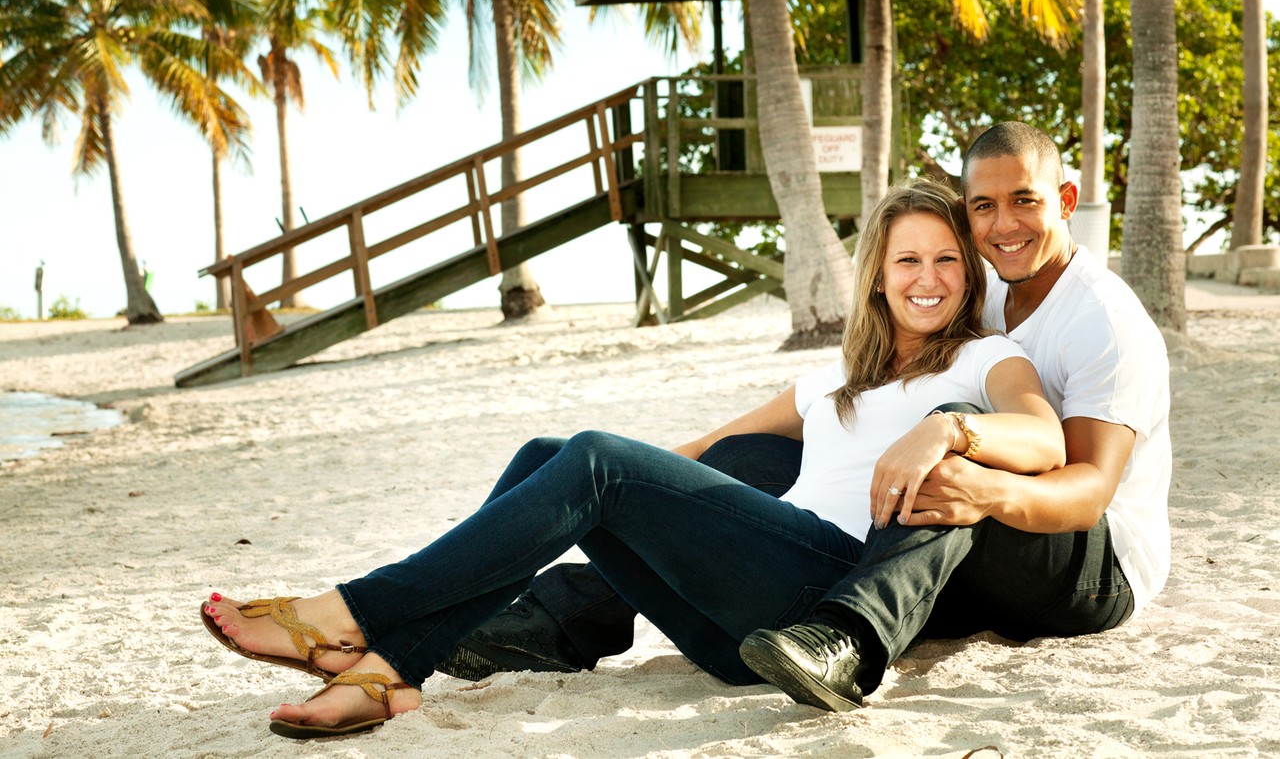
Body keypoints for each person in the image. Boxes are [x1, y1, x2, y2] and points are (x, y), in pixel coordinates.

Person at [201, 180, 1065, 739]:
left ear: (968, 275)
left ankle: (350, 614)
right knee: (552, 456)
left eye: (946, 259)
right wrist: (611, 490)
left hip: (830, 589)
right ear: (877, 274)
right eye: (908, 258)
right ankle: (392, 669)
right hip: (739, 627)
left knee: (593, 459)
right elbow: (694, 455)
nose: (928, 277)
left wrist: (949, 432)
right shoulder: (834, 380)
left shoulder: (984, 360)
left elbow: (1045, 439)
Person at [441, 121, 1172, 713]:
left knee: (950, 442)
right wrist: (627, 488)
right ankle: (572, 614)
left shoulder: (1099, 321)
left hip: (1091, 564)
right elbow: (750, 435)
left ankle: (848, 637)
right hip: (971, 531)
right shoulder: (983, 279)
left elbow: (1086, 492)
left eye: (1025, 202)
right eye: (984, 206)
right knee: (747, 455)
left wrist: (979, 476)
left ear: (1066, 200)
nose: (1004, 224)